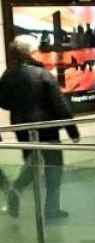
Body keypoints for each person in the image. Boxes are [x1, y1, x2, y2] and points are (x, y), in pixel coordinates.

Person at [0, 37, 80, 219]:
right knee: (54, 167)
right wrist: (72, 131)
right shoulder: (43, 74)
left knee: (32, 164)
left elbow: (3, 101)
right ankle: (51, 209)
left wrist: (20, 106)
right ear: (31, 52)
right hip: (46, 127)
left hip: (21, 127)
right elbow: (60, 105)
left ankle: (16, 189)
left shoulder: (8, 74)